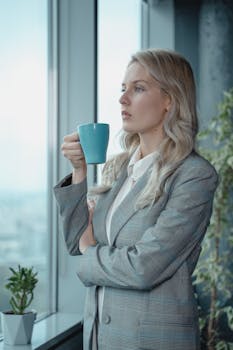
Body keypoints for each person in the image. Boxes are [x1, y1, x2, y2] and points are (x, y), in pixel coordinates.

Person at [54, 49, 218, 350]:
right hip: (99, 339)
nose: (123, 99)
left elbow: (144, 267)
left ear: (170, 99)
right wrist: (79, 172)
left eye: (138, 88)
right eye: (123, 89)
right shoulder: (118, 168)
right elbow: (75, 242)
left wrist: (90, 248)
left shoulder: (194, 176)